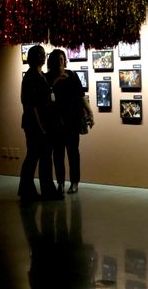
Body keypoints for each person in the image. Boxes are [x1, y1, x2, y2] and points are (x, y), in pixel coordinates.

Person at [45, 49, 94, 195]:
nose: (61, 61)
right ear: (52, 61)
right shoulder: (47, 78)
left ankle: (74, 182)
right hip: (56, 121)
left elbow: (81, 96)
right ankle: (60, 182)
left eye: (62, 58)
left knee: (73, 153)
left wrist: (90, 113)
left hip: (72, 120)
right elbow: (45, 96)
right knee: (58, 154)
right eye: (58, 59)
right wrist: (56, 81)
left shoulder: (72, 75)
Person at [18, 45, 60, 201]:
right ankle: (27, 190)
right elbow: (30, 104)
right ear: (33, 57)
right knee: (33, 156)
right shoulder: (30, 77)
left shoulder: (40, 75)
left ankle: (46, 189)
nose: (43, 57)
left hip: (43, 123)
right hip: (35, 124)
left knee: (44, 157)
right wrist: (40, 126)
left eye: (44, 54)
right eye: (40, 54)